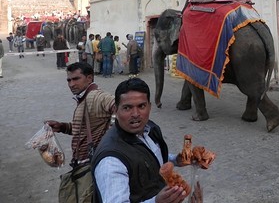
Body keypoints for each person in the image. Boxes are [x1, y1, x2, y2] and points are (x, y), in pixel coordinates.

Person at [91, 78, 198, 203]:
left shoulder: (149, 129)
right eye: (127, 108)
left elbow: (149, 155)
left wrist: (176, 160)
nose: (135, 114)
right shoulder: (111, 161)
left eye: (141, 106)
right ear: (116, 109)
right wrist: (156, 201)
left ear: (150, 107)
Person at [46, 62, 115, 202]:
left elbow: (120, 107)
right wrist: (63, 127)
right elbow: (83, 130)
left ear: (89, 78)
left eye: (76, 79)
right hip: (84, 165)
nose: (71, 84)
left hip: (92, 165)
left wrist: (110, 135)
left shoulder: (95, 96)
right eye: (69, 80)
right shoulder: (84, 98)